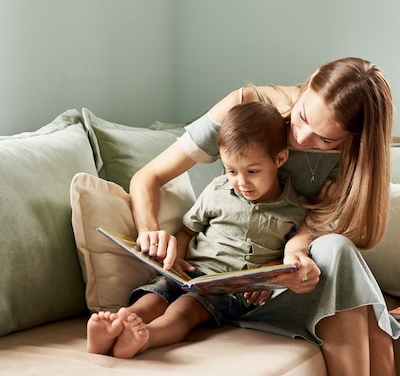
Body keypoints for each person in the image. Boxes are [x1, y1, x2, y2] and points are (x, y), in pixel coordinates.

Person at [129, 57, 400, 376]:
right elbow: (148, 177)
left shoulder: (352, 159)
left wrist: (287, 261)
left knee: (339, 253)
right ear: (309, 81)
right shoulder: (245, 108)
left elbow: (313, 229)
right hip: (232, 288)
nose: (300, 138)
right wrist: (150, 231)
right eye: (301, 117)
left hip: (286, 281)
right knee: (370, 318)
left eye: (325, 140)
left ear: (353, 140)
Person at [87, 101, 308, 359]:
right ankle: (116, 326)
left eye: (253, 171)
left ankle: (144, 338)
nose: (241, 182)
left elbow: (288, 254)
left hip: (228, 290)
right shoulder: (217, 190)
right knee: (153, 298)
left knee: (185, 310)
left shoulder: (294, 209)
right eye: (231, 171)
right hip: (189, 274)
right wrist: (174, 262)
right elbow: (187, 231)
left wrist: (267, 275)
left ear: (280, 158)